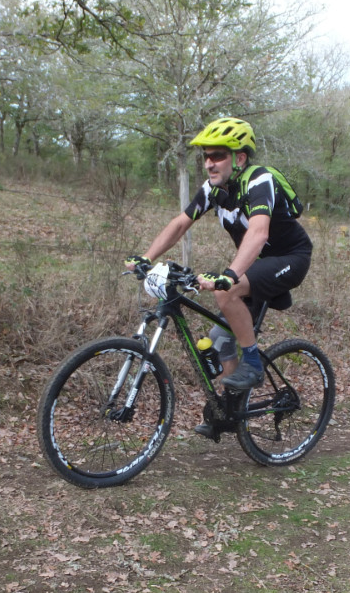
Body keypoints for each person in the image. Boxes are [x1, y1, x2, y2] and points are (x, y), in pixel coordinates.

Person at [125, 117, 313, 436]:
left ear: (239, 158)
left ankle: (253, 364)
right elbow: (181, 223)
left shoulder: (259, 181)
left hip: (289, 258)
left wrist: (229, 275)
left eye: (217, 156)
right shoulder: (214, 189)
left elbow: (259, 232)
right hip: (254, 264)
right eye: (206, 156)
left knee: (225, 292)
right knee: (219, 341)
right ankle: (230, 412)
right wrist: (147, 257)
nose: (209, 163)